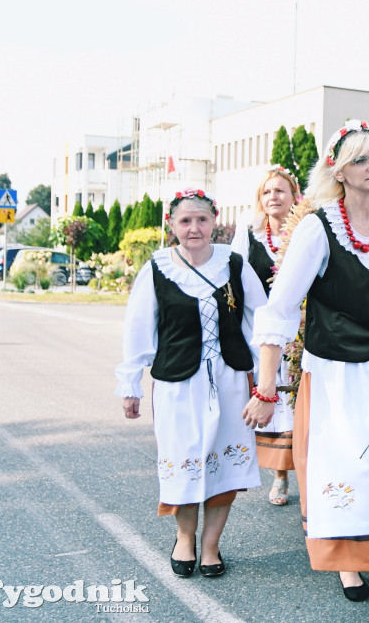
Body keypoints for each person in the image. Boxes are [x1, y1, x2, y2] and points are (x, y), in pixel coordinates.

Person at [249, 119, 369, 623]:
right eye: (361, 160)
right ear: (339, 172)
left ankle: (351, 560)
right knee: (351, 470)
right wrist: (265, 385)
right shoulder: (318, 227)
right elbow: (279, 309)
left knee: (368, 472)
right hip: (334, 373)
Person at [117, 188, 267, 578]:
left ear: (214, 222)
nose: (194, 228)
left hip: (230, 378)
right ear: (172, 225)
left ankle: (212, 546)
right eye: (185, 221)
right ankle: (185, 538)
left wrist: (269, 377)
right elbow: (138, 328)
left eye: (202, 219)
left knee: (222, 463)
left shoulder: (234, 264)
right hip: (178, 384)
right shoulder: (156, 268)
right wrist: (130, 383)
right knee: (184, 461)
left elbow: (261, 318)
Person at [231, 166, 301, 505]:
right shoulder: (250, 235)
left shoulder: (305, 233)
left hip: (299, 331)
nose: (273, 197)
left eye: (280, 191)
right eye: (267, 192)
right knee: (271, 396)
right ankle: (279, 475)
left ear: (293, 197)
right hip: (259, 332)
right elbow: (232, 279)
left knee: (297, 401)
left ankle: (294, 471)